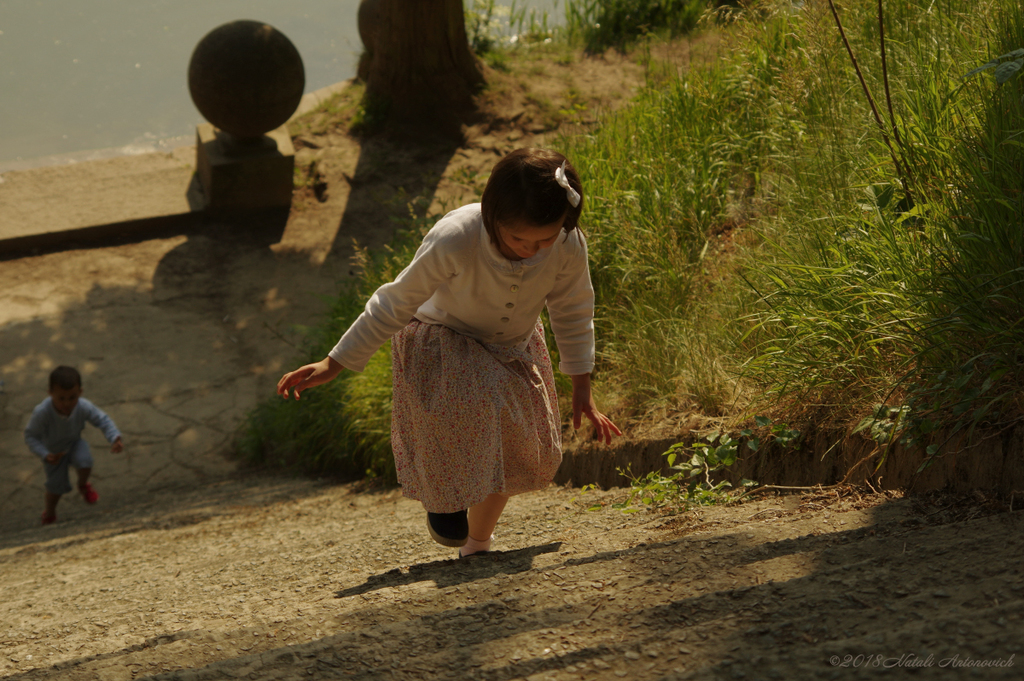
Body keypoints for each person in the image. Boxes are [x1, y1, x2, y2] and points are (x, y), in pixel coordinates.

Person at [277, 148, 621, 557]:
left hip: (512, 346)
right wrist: (335, 362)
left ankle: (477, 542)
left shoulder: (567, 244)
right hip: (442, 339)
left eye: (544, 240)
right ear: (492, 216)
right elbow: (395, 301)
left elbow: (574, 309)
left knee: (521, 446)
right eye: (518, 239)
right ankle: (447, 499)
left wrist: (582, 386)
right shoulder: (457, 236)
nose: (531, 250)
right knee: (478, 400)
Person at [25, 366, 123, 525]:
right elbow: (31, 436)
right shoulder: (42, 412)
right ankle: (49, 512)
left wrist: (114, 437)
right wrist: (44, 453)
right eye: (61, 398)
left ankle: (83, 485)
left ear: (80, 392)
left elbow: (102, 420)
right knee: (55, 486)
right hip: (53, 453)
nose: (67, 403)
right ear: (50, 393)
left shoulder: (83, 406)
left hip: (74, 443)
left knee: (85, 462)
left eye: (72, 397)